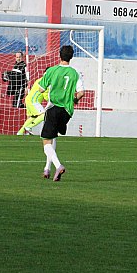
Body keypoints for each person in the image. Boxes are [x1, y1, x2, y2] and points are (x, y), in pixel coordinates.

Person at [38, 45, 85, 181]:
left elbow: (41, 89)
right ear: (71, 57)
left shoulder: (52, 71)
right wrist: (73, 100)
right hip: (67, 112)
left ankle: (58, 166)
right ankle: (47, 168)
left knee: (46, 142)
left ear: (59, 55)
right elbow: (81, 93)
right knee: (54, 136)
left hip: (54, 108)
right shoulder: (75, 73)